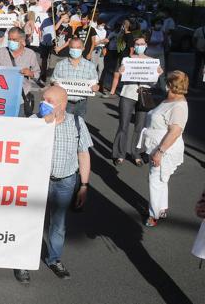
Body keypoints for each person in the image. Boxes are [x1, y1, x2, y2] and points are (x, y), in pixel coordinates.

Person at [14, 85, 93, 284]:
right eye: (43, 99)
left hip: (65, 181)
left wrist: (84, 185)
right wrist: (43, 125)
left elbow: (83, 154)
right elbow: (20, 150)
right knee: (30, 222)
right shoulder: (33, 122)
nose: (43, 104)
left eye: (49, 101)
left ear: (63, 105)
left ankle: (54, 259)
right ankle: (23, 262)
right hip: (37, 182)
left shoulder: (77, 122)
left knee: (58, 224)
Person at [139, 71, 189, 227]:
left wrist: (160, 152)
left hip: (164, 148)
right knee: (160, 179)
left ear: (169, 85)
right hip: (157, 145)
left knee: (155, 180)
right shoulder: (169, 99)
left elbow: (175, 131)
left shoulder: (179, 105)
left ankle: (153, 214)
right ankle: (161, 208)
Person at [112, 37, 163, 166]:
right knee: (123, 124)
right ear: (134, 46)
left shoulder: (152, 62)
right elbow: (122, 77)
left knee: (140, 126)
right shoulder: (127, 60)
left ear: (146, 45)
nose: (139, 46)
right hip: (128, 93)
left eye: (142, 44)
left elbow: (153, 82)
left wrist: (157, 74)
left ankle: (137, 153)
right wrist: (121, 72)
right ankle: (119, 154)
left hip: (144, 95)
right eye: (137, 44)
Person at [0, 27, 40, 117]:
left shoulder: (30, 54)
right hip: (2, 98)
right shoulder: (0, 52)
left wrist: (30, 73)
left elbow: (37, 73)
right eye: (9, 39)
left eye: (14, 40)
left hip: (21, 99)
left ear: (22, 40)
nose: (11, 42)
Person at [51, 38, 99, 118]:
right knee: (63, 126)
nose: (75, 50)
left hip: (81, 103)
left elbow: (95, 83)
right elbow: (53, 80)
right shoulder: (60, 65)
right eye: (73, 47)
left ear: (83, 48)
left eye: (78, 47)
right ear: (69, 48)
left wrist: (96, 87)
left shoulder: (90, 66)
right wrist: (54, 84)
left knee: (79, 127)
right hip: (64, 102)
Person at [103, 18, 137, 98]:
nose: (121, 26)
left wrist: (129, 59)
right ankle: (112, 92)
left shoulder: (129, 35)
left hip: (125, 58)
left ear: (125, 26)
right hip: (119, 57)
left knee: (123, 75)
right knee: (116, 74)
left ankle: (126, 93)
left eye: (123, 25)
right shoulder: (122, 34)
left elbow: (131, 48)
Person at [91, 18, 108, 92]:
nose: (103, 26)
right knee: (94, 66)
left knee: (101, 67)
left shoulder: (104, 31)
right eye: (102, 25)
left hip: (101, 49)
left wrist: (105, 45)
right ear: (98, 24)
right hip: (95, 49)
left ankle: (98, 82)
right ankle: (92, 83)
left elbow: (104, 42)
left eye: (104, 25)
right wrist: (101, 41)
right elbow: (93, 43)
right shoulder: (93, 30)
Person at [192, 22, 205, 87]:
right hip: (199, 50)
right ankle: (194, 82)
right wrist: (195, 48)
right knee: (197, 67)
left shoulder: (199, 30)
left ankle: (204, 82)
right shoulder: (198, 30)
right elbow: (194, 39)